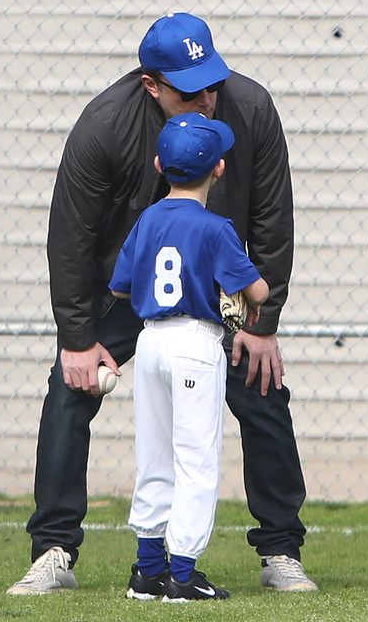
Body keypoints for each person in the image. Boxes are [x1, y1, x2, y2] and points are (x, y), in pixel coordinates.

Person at [6, 11, 318, 596]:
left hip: (214, 295)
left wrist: (262, 321)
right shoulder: (104, 127)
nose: (206, 96)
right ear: (152, 85)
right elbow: (70, 238)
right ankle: (53, 548)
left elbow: (273, 219)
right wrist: (77, 338)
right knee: (68, 391)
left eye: (213, 81)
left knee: (263, 388)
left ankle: (281, 550)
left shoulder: (249, 109)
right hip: (130, 299)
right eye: (189, 88)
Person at [109, 112, 269, 602]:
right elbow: (258, 291)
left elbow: (119, 288)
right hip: (195, 342)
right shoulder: (216, 227)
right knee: (196, 459)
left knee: (154, 454)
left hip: (150, 341)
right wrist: (235, 295)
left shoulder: (148, 218)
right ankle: (182, 574)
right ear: (218, 170)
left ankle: (147, 570)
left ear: (159, 165)